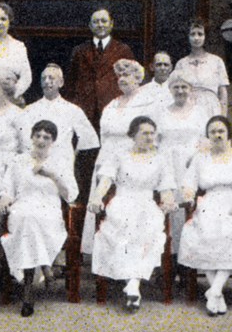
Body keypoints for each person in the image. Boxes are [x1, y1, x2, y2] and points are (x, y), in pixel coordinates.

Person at [178, 116, 232, 316]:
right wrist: (189, 196)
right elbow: (189, 184)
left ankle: (215, 289)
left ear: (228, 134)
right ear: (207, 136)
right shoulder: (201, 158)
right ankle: (216, 293)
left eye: (221, 131)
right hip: (210, 203)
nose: (217, 135)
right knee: (203, 235)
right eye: (212, 132)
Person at [88, 116, 177, 312]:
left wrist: (169, 202)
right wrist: (96, 197)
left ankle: (132, 284)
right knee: (125, 230)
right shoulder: (119, 155)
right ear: (133, 135)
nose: (149, 137)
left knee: (148, 232)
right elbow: (106, 180)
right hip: (122, 202)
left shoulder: (161, 159)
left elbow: (166, 189)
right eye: (144, 133)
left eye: (152, 133)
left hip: (147, 204)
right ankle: (133, 284)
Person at [0, 120, 78, 317]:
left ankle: (28, 290)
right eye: (37, 136)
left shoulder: (60, 162)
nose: (41, 140)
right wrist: (3, 202)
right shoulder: (18, 161)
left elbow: (71, 194)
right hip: (22, 206)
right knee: (27, 218)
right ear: (31, 137)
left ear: (53, 141)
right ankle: (44, 268)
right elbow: (8, 190)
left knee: (31, 221)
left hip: (49, 209)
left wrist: (52, 175)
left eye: (46, 137)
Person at [82, 59, 162, 253]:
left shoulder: (147, 103)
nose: (122, 79)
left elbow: (152, 135)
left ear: (138, 78)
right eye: (119, 76)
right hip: (108, 157)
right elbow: (104, 135)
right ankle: (108, 252)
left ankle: (134, 252)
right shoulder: (111, 105)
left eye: (127, 75)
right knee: (106, 203)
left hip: (133, 159)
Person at [157, 75, 210, 255]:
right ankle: (169, 257)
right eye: (176, 87)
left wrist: (196, 158)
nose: (180, 91)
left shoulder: (199, 112)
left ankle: (189, 257)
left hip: (191, 164)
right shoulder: (161, 112)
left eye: (184, 87)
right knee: (170, 207)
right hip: (167, 164)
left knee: (190, 207)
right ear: (170, 89)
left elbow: (205, 140)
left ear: (190, 89)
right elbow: (155, 140)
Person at [20, 63, 99, 170]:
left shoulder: (73, 110)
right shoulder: (29, 110)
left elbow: (89, 140)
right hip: (35, 165)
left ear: (61, 82)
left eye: (51, 78)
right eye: (43, 78)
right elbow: (24, 140)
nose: (47, 81)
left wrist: (71, 156)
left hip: (62, 167)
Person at [65, 8, 135, 126]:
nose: (100, 25)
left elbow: (132, 83)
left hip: (114, 109)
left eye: (104, 21)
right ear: (90, 26)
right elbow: (71, 83)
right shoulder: (79, 51)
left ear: (111, 24)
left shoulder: (123, 50)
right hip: (85, 111)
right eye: (96, 22)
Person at [173, 20, 229, 119]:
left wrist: (223, 117)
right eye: (192, 34)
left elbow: (223, 92)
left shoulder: (216, 61)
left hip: (211, 107)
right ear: (187, 37)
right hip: (188, 108)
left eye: (200, 34)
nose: (196, 38)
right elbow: (175, 90)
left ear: (205, 36)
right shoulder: (181, 63)